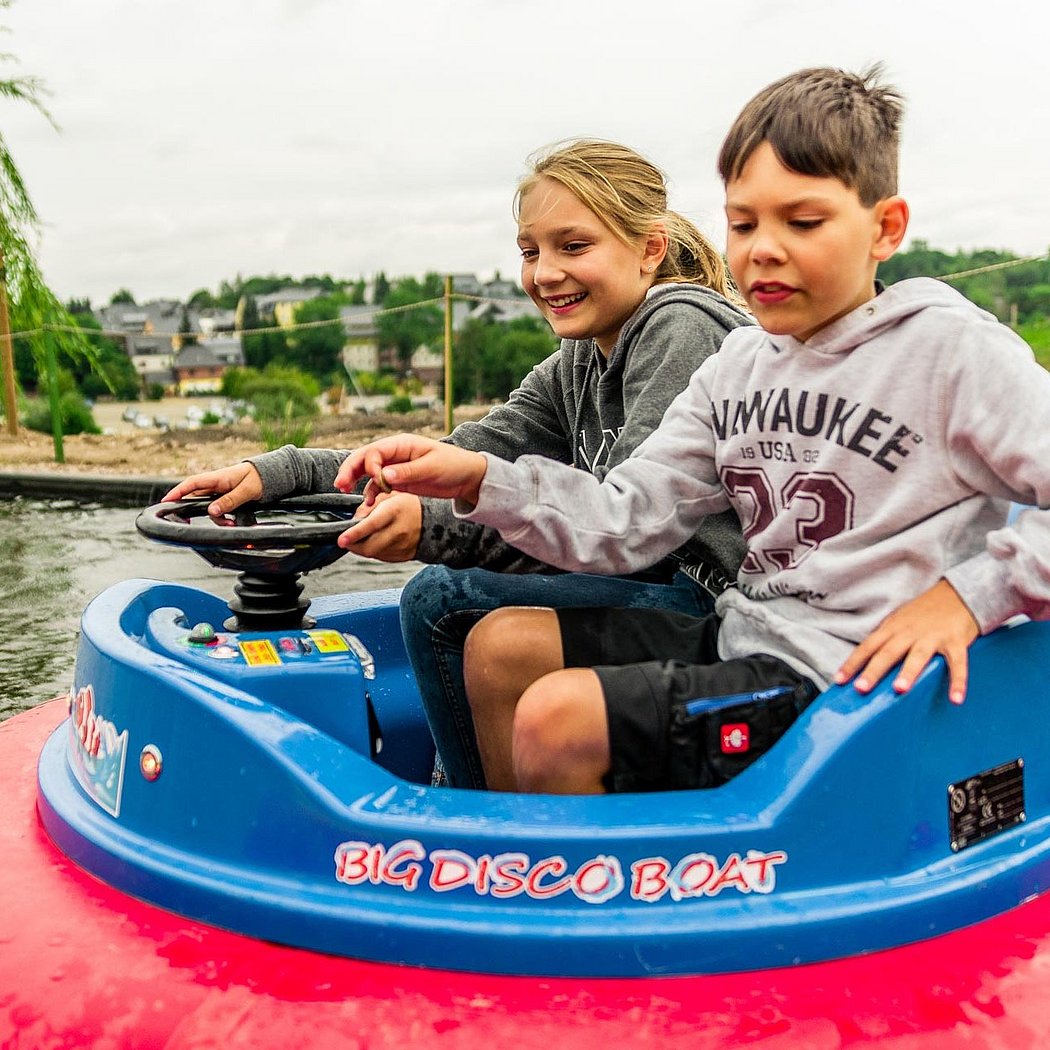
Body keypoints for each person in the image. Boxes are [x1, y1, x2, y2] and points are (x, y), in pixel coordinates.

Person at [334, 65, 1050, 796]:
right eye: (743, 223)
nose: (762, 249)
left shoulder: (950, 352)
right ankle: (502, 859)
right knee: (499, 651)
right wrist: (483, 481)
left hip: (861, 680)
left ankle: (578, 896)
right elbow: (625, 520)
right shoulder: (737, 367)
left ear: (885, 228)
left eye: (802, 222)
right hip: (755, 632)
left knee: (558, 717)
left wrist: (967, 595)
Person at [162, 139, 752, 788]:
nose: (545, 273)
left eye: (573, 246)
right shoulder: (579, 361)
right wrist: (285, 474)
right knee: (446, 591)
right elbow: (453, 456)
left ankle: (470, 822)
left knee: (444, 600)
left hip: (712, 599)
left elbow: (633, 534)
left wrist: (434, 528)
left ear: (650, 248)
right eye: (530, 251)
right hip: (649, 583)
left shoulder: (681, 325)